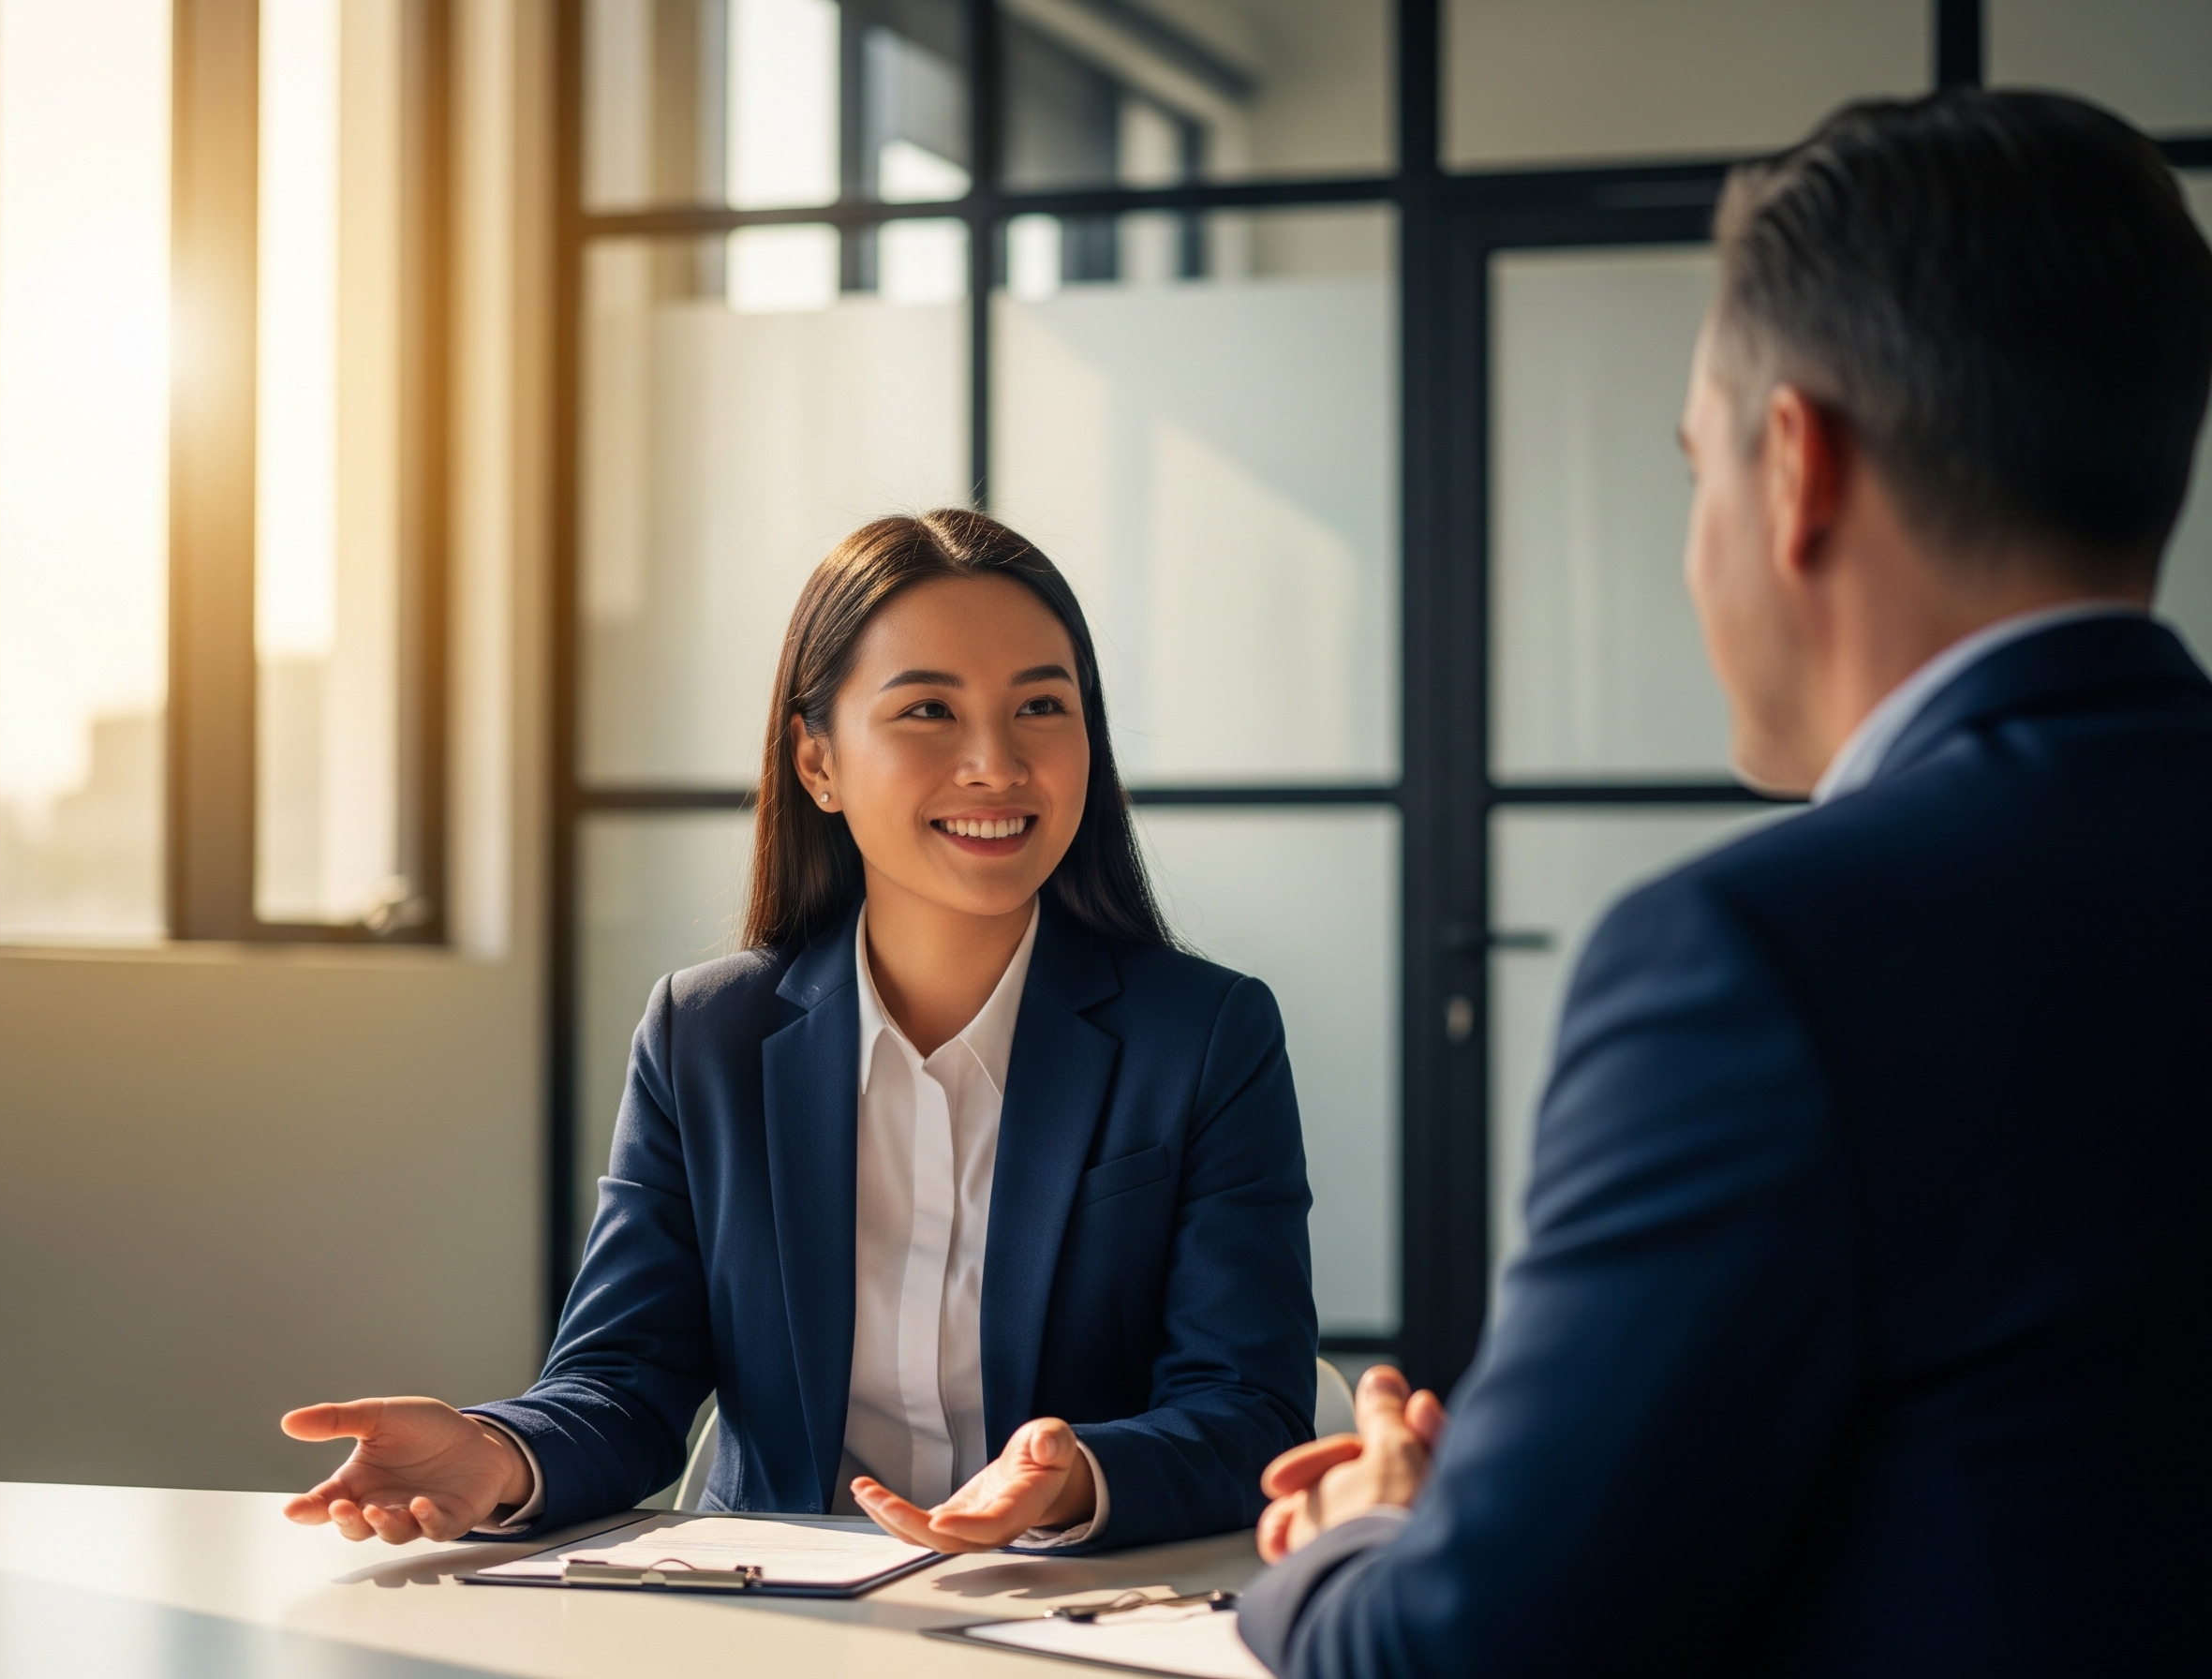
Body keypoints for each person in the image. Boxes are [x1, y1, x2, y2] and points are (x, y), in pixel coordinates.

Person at [1241, 89, 2212, 1675]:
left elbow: (1455, 1652)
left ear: (1795, 467)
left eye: (1696, 468)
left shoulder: (1756, 961)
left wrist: (1363, 1535)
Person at [281, 510, 1317, 1553]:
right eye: (928, 710)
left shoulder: (1205, 1037)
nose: (995, 763)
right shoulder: (704, 1037)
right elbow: (625, 1378)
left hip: (1060, 1604)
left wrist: (1079, 1477)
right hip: (777, 1605)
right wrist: (499, 1453)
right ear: (817, 761)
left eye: (1041, 705)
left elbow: (1248, 1408)